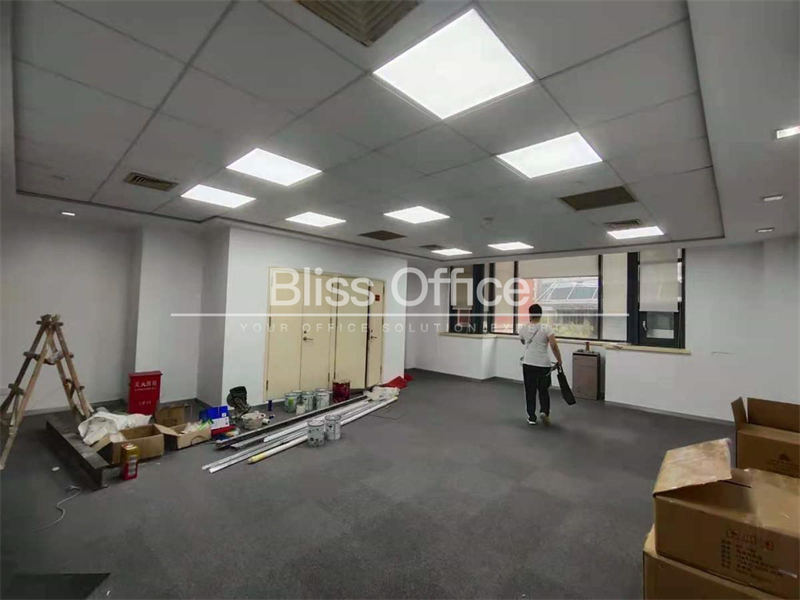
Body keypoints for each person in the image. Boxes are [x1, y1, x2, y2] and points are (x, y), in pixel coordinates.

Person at [519, 304, 563, 426]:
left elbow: (522, 341)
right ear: (540, 314)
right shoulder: (546, 328)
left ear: (530, 314)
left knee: (530, 391)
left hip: (528, 363)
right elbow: (554, 345)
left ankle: (531, 417)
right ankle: (544, 411)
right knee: (543, 390)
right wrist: (559, 360)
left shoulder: (524, 328)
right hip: (543, 364)